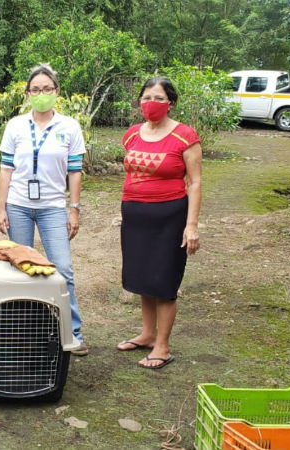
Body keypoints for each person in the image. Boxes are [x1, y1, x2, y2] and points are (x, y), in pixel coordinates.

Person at [0, 64, 88, 356]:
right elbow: (6, 169)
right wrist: (1, 208)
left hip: (52, 207)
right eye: (35, 90)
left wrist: (74, 209)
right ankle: (21, 330)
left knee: (63, 269)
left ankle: (72, 332)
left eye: (47, 89)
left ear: (57, 92)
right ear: (27, 94)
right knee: (20, 269)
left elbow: (75, 171)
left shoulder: (69, 127)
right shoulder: (16, 126)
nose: (42, 94)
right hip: (18, 205)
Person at [117, 76, 202, 369]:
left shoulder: (185, 136)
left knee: (164, 280)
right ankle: (147, 334)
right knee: (143, 276)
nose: (151, 103)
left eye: (158, 98)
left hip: (170, 217)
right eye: (146, 97)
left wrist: (191, 225)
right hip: (135, 216)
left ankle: (163, 347)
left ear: (171, 104)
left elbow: (195, 182)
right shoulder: (131, 135)